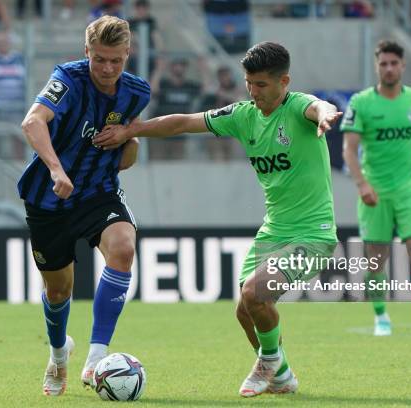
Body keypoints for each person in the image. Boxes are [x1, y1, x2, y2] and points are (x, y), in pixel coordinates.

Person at [93, 41, 342, 397]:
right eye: (249, 83)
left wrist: (327, 114)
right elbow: (182, 123)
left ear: (284, 81)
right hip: (273, 230)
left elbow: (319, 107)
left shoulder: (299, 106)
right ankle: (283, 376)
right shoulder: (244, 115)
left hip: (313, 234)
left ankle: (269, 360)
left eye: (261, 85)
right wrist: (133, 131)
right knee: (245, 310)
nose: (253, 91)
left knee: (254, 293)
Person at [17, 15, 150, 396]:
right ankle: (59, 356)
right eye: (100, 59)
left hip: (97, 191)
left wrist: (130, 139)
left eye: (116, 60)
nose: (108, 69)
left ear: (128, 54)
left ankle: (95, 359)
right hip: (50, 196)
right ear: (86, 52)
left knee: (123, 247)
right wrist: (57, 169)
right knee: (59, 291)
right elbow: (32, 123)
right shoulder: (68, 80)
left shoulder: (137, 92)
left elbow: (126, 159)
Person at [341, 40, 411, 337]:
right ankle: (381, 318)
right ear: (377, 67)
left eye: (394, 63)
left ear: (402, 66)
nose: (389, 68)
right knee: (376, 257)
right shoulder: (361, 103)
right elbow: (349, 150)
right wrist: (361, 184)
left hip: (410, 188)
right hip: (374, 190)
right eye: (383, 64)